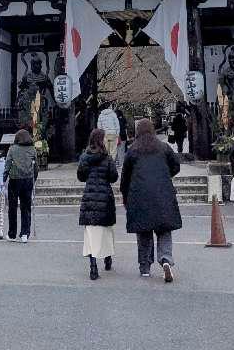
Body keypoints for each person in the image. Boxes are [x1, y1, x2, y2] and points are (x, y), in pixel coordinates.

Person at [120, 119, 182, 282]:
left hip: (140, 197)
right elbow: (176, 165)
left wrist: (125, 197)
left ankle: (145, 267)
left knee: (144, 233)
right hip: (163, 194)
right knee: (164, 230)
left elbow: (125, 177)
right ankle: (166, 260)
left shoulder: (132, 150)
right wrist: (164, 175)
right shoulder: (163, 147)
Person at [77, 128, 118, 280]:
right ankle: (107, 258)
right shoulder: (107, 158)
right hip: (104, 197)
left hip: (89, 196)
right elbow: (113, 177)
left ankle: (93, 266)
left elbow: (81, 176)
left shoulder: (84, 157)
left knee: (90, 234)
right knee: (106, 230)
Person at [4, 129, 38, 242]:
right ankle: (25, 233)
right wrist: (34, 180)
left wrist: (4, 178)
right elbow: (36, 167)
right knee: (26, 207)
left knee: (12, 207)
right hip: (28, 180)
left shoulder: (12, 149)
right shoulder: (32, 149)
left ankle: (12, 233)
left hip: (14, 180)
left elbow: (8, 164)